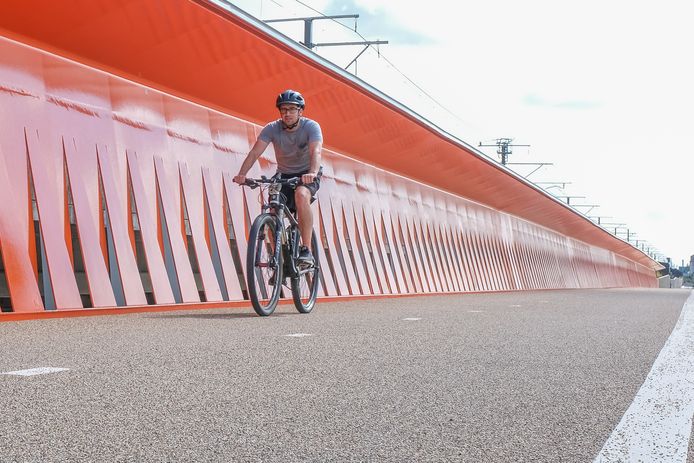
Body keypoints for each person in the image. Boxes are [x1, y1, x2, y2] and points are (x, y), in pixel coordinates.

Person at [233, 89, 323, 266]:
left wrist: (312, 173)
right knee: (273, 209)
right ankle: (279, 261)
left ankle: (306, 250)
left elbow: (316, 151)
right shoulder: (272, 128)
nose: (287, 113)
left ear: (300, 111)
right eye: (283, 110)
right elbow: (254, 153)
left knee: (301, 195)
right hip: (284, 174)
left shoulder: (311, 127)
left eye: (291, 109)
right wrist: (242, 174)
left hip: (307, 172)